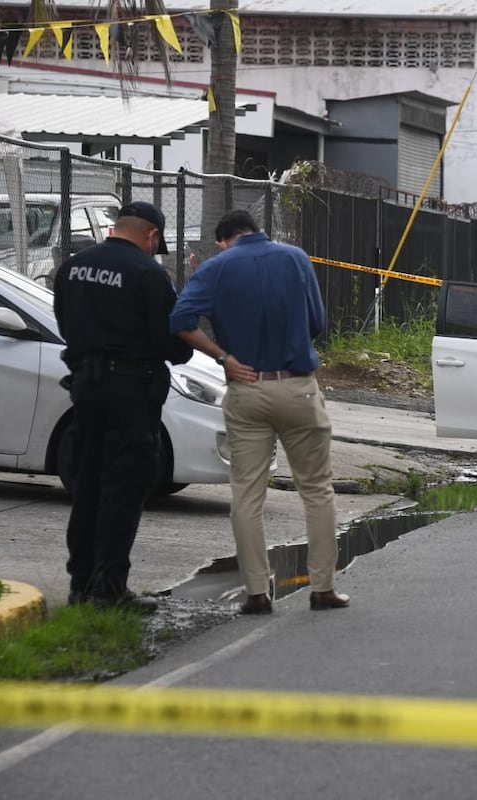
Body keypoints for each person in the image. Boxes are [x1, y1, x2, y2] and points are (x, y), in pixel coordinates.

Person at [169, 209, 347, 616]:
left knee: (247, 493)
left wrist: (223, 356)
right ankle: (323, 588)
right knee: (317, 490)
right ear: (256, 230)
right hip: (298, 388)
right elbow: (317, 322)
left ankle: (256, 593)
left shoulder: (216, 268)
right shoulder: (296, 259)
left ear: (224, 239)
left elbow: (179, 320)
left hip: (246, 387)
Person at [53, 200, 193, 613]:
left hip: (85, 389)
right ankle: (109, 588)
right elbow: (171, 343)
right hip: (130, 393)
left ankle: (80, 583)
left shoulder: (73, 267)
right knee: (124, 488)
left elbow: (64, 322)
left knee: (88, 483)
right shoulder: (148, 274)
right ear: (151, 235)